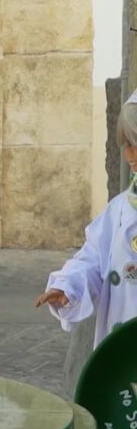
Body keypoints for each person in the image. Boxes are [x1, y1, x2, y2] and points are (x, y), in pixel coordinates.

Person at [35, 95, 137, 347]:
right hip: (121, 358)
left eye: (134, 143)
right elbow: (92, 259)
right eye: (125, 144)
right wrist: (68, 286)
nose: (128, 155)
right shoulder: (120, 209)